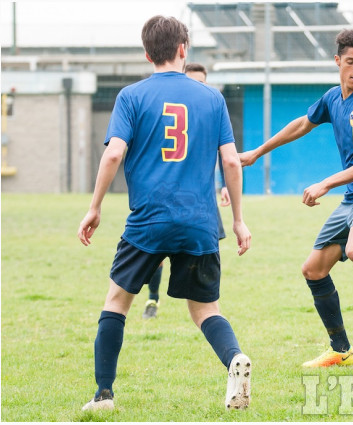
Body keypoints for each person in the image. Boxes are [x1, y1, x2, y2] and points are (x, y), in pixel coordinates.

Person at [78, 15, 252, 411]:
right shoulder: (212, 98)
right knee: (206, 309)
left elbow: (115, 152)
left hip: (148, 221)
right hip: (201, 222)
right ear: (183, 49)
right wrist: (238, 219)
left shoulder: (132, 96)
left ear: (146, 53)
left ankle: (104, 394)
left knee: (117, 300)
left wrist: (94, 207)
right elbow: (231, 161)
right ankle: (234, 359)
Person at [240, 28, 353, 368]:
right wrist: (257, 152)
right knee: (313, 269)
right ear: (337, 60)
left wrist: (326, 183)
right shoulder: (332, 99)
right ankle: (341, 350)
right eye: (351, 62)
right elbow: (301, 124)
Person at [141, 63, 232, 320]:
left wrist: (224, 184)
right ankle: (153, 299)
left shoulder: (210, 110)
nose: (198, 88)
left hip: (201, 200)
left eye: (202, 83)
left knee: (208, 251)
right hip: (165, 196)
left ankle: (207, 305)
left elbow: (224, 153)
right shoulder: (169, 114)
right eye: (194, 82)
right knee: (156, 256)